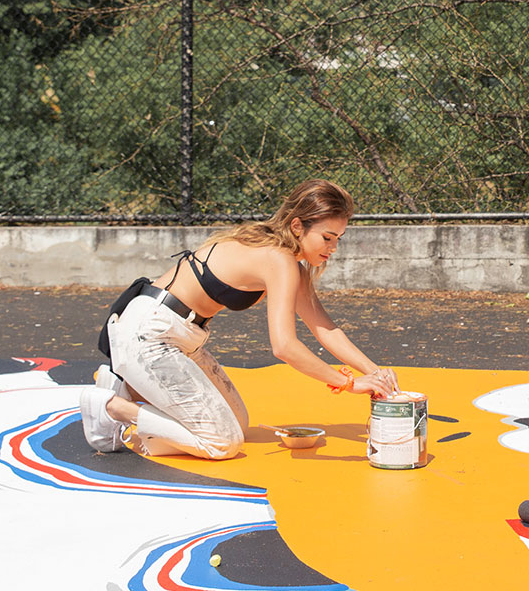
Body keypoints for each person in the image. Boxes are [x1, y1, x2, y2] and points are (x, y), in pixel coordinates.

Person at [78, 179, 398, 459]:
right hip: (149, 333)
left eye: (338, 238)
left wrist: (376, 373)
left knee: (237, 423)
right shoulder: (279, 259)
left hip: (178, 335)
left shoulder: (285, 259)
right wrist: (350, 383)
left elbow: (325, 328)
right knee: (222, 441)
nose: (333, 248)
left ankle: (132, 387)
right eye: (327, 237)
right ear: (298, 226)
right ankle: (113, 406)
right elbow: (284, 346)